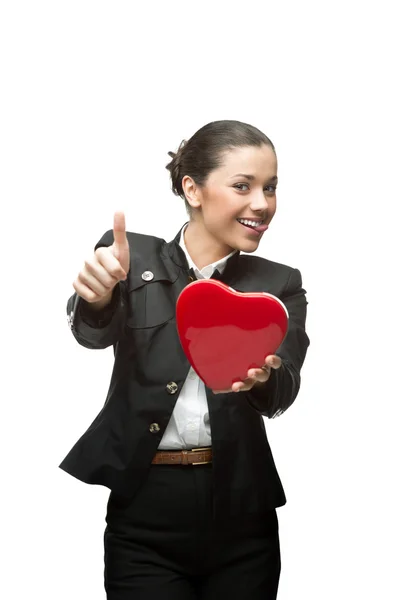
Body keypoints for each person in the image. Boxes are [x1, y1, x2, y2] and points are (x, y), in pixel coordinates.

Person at [60, 119, 310, 599]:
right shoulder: (129, 258)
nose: (263, 204)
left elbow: (283, 390)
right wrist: (94, 300)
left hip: (242, 515)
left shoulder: (279, 283)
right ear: (192, 189)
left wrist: (261, 379)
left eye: (271, 188)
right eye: (244, 186)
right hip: (146, 514)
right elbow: (94, 333)